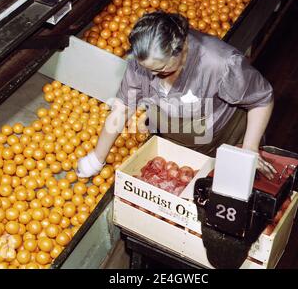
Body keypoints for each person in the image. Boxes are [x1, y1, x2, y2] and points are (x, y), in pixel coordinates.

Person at [77, 11, 277, 180]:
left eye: (162, 70)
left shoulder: (219, 63)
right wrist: (96, 158)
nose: (153, 76)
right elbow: (122, 109)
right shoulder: (142, 63)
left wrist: (250, 147)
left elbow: (262, 99)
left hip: (225, 136)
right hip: (178, 139)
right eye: (147, 69)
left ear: (182, 49)